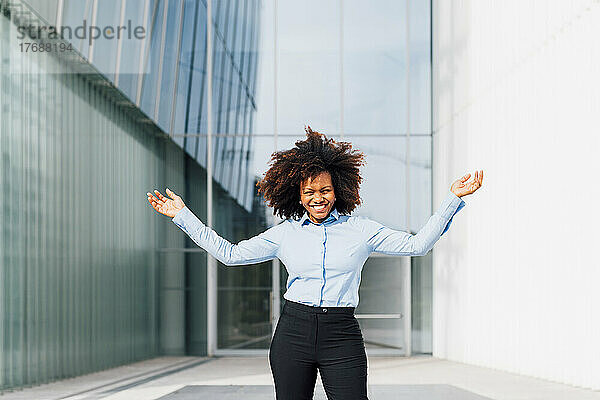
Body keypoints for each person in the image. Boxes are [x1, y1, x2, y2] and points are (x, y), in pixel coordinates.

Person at [147, 127, 483, 400]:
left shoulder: (361, 230)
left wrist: (453, 198)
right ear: (299, 195)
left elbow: (417, 245)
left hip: (341, 334)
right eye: (309, 192)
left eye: (324, 190)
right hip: (294, 331)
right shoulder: (284, 234)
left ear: (337, 190)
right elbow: (231, 254)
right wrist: (183, 216)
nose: (317, 198)